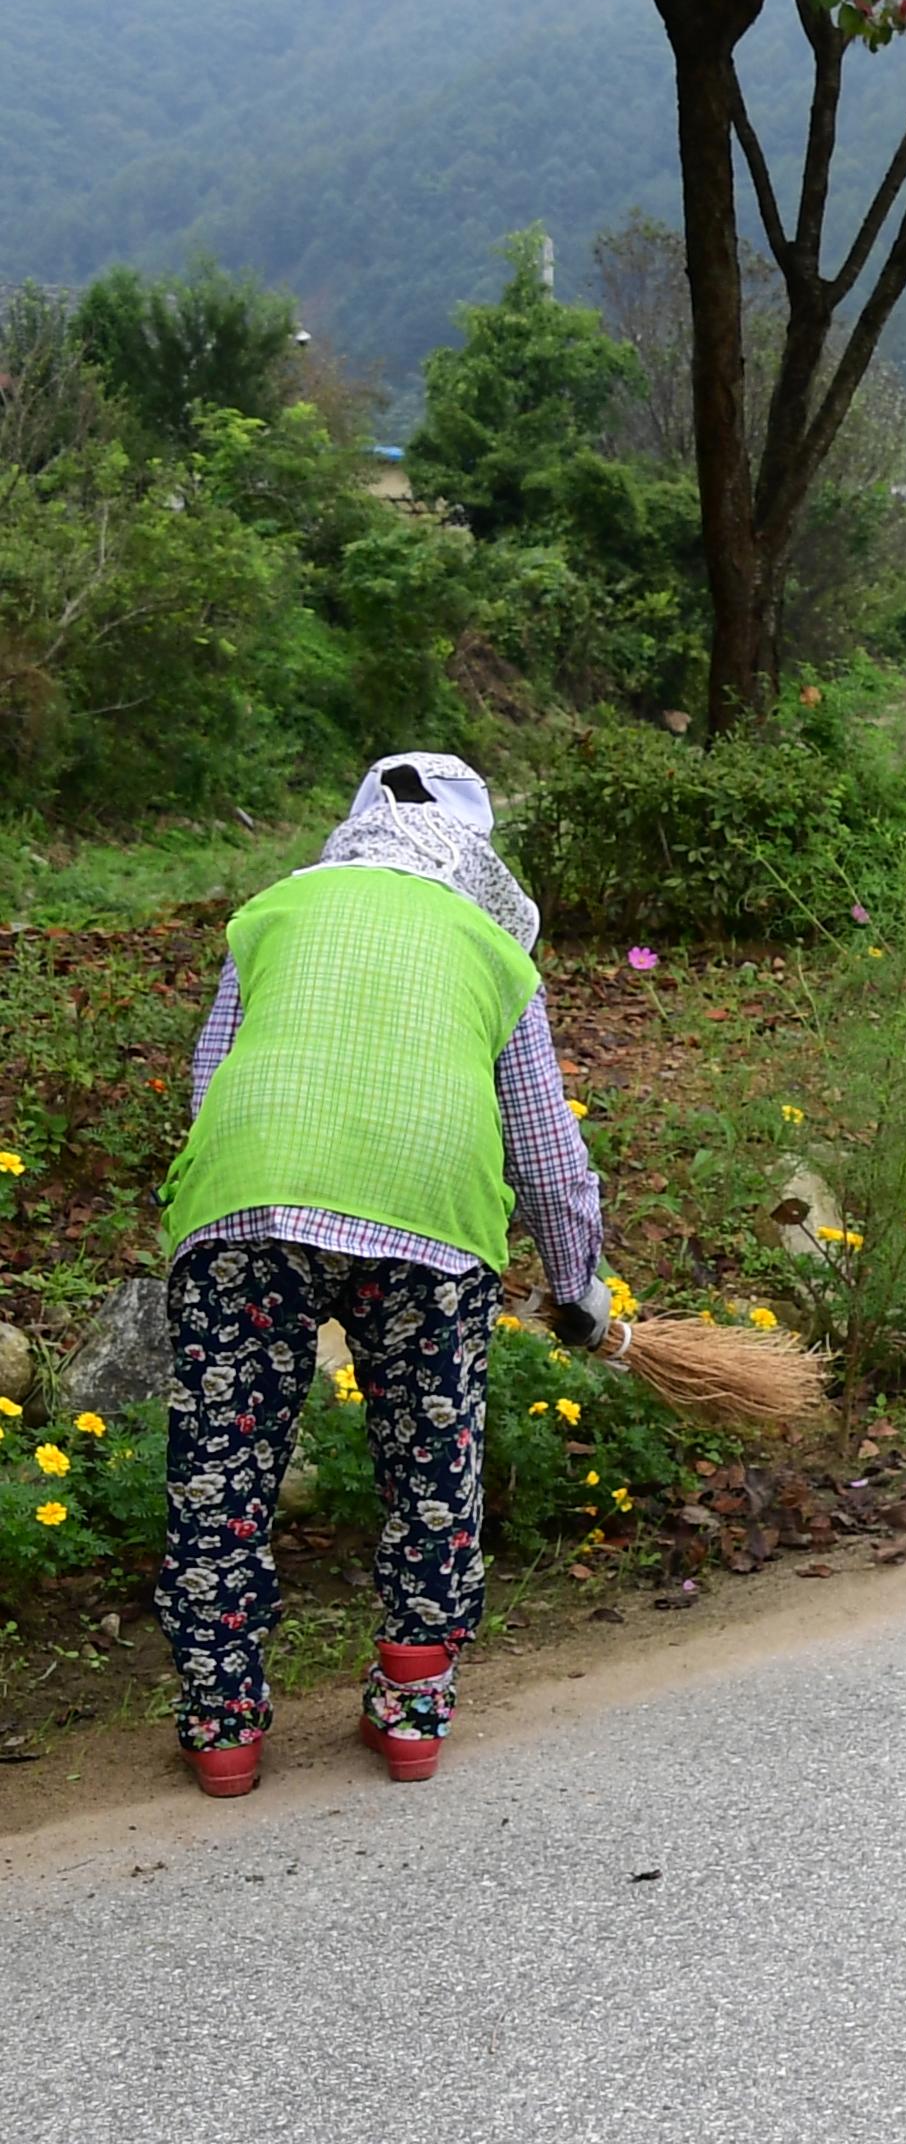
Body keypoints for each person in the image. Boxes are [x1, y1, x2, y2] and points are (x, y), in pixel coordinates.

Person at [154, 754, 611, 1798]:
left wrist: (237, 1190)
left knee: (222, 1470)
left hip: (250, 1194)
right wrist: (579, 1281)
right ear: (478, 849)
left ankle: (223, 1726)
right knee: (430, 1465)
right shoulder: (493, 949)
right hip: (428, 1211)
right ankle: (411, 1712)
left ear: (357, 827)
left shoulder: (277, 912)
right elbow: (545, 1149)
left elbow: (209, 1078)